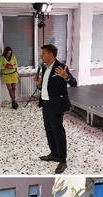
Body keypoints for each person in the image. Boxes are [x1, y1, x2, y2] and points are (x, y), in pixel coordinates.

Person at [33, 43, 77, 174]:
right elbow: (47, 86)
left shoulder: (61, 67)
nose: (41, 56)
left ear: (51, 54)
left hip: (56, 105)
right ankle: (54, 153)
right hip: (46, 104)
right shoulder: (45, 68)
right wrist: (40, 84)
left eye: (43, 53)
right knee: (49, 130)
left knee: (58, 132)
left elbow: (74, 83)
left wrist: (66, 76)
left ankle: (62, 160)